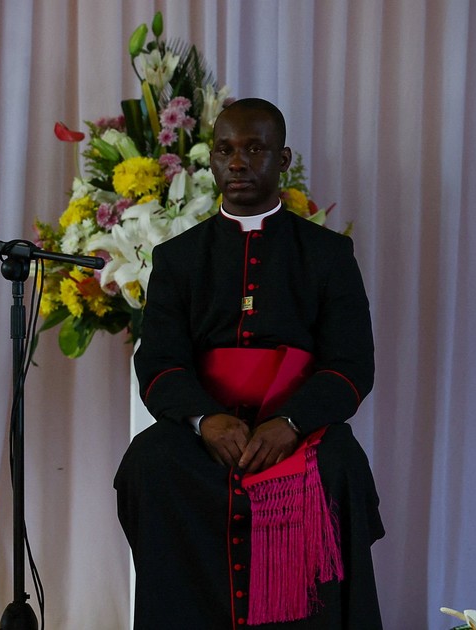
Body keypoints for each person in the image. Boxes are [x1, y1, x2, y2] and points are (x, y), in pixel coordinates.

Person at [114, 98, 384, 629]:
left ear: (282, 160)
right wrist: (204, 419)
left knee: (339, 464)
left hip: (298, 430)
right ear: (212, 160)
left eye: (254, 149)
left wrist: (292, 422)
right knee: (150, 461)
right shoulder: (178, 257)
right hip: (207, 433)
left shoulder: (328, 254)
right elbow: (160, 361)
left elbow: (351, 363)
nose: (237, 162)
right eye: (225, 150)